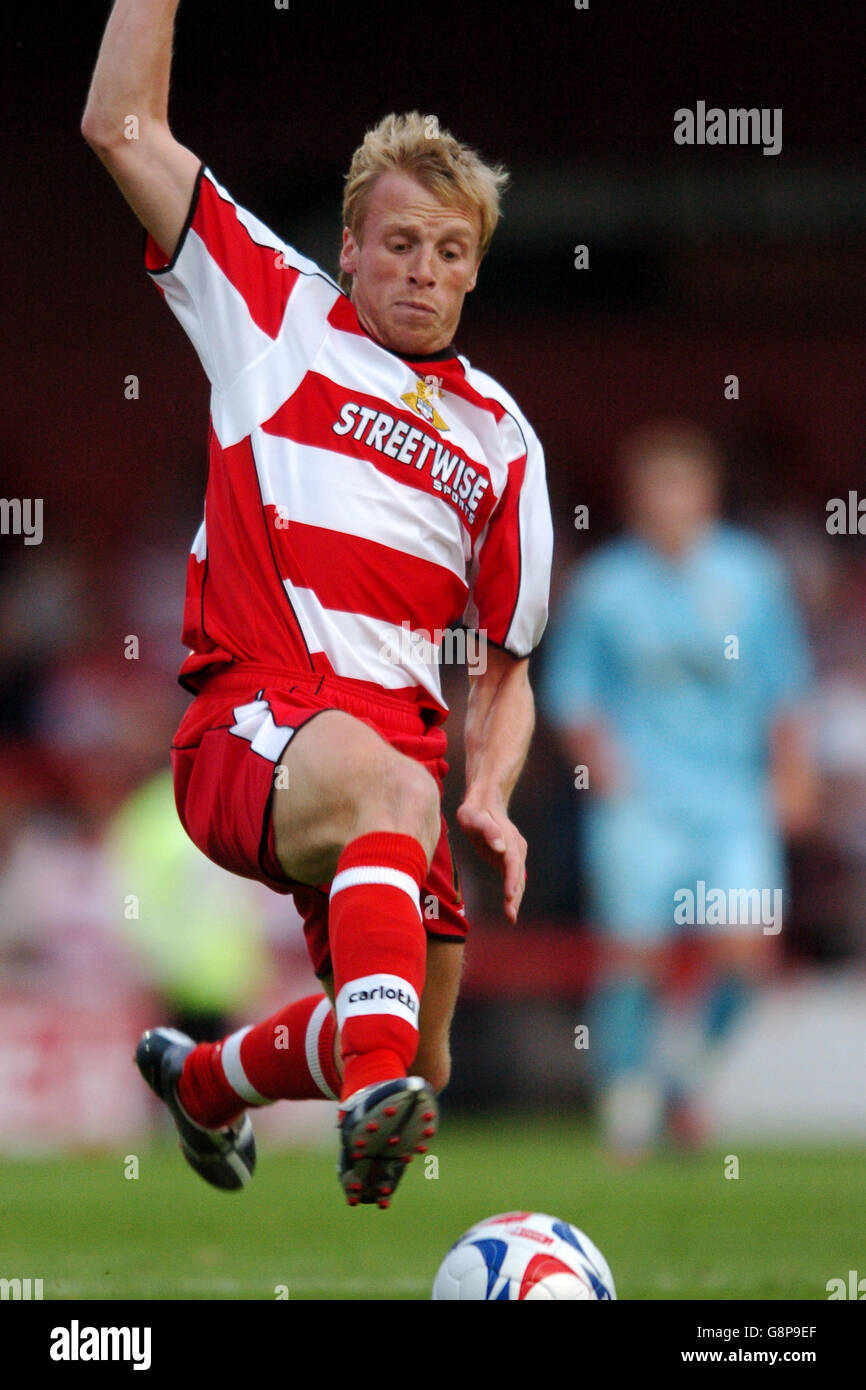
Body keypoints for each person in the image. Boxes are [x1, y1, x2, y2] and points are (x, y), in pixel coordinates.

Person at [82, 1, 553, 1208]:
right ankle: (362, 1106)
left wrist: (489, 789)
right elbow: (118, 123)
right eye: (398, 243)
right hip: (252, 720)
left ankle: (207, 1085)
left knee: (417, 1052)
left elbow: (502, 669)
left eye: (450, 252)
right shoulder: (274, 311)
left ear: (474, 269)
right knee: (395, 836)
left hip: (387, 767)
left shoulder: (501, 440)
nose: (421, 271)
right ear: (347, 245)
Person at [542, 420, 816, 1155]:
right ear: (637, 500)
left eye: (683, 485)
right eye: (657, 487)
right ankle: (627, 1103)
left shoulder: (750, 574)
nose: (671, 501)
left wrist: (792, 774)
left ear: (707, 494)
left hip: (732, 798)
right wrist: (606, 771)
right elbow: (573, 695)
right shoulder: (607, 585)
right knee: (634, 951)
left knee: (749, 949)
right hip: (644, 799)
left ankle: (688, 1077)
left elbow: (786, 684)